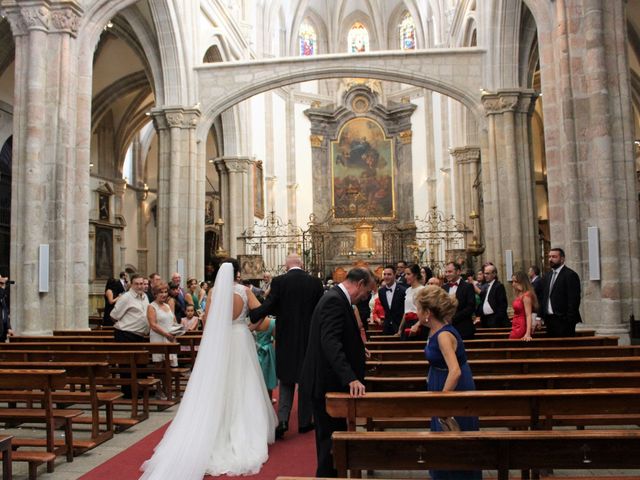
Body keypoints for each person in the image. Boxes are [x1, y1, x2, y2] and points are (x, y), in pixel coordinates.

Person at [140, 260, 277, 479]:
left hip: (221, 340)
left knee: (218, 383)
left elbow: (209, 319)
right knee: (243, 383)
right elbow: (258, 313)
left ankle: (214, 429)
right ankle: (247, 430)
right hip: (241, 338)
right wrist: (251, 325)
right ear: (238, 274)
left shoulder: (214, 292)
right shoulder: (244, 291)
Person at [300, 267, 374, 477]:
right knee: (329, 442)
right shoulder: (334, 300)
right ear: (359, 284)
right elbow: (330, 341)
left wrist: (359, 349)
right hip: (326, 382)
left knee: (334, 439)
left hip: (328, 380)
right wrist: (350, 377)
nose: (365, 297)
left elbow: (338, 336)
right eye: (366, 292)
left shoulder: (337, 298)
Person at [248, 253, 324, 439]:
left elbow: (271, 305)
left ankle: (282, 420)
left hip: (286, 337)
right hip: (308, 337)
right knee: (306, 379)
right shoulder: (315, 282)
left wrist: (255, 314)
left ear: (285, 265)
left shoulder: (280, 281)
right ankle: (305, 422)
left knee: (287, 379)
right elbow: (320, 309)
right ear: (302, 264)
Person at [413, 286, 481, 480]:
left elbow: (455, 371)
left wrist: (443, 402)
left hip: (451, 387)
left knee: (455, 436)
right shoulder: (436, 328)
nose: (415, 312)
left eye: (418, 308)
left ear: (427, 313)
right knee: (441, 438)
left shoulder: (443, 335)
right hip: (440, 380)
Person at [110, 274, 149, 398]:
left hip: (140, 336)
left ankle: (140, 391)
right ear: (131, 285)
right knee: (127, 366)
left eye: (141, 283)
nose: (139, 286)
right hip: (126, 334)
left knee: (140, 364)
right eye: (136, 284)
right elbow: (114, 315)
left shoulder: (145, 296)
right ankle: (128, 392)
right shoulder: (126, 297)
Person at [540, 248, 582, 337]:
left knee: (565, 348)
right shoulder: (547, 276)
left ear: (562, 259)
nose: (550, 259)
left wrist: (569, 319)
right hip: (549, 320)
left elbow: (574, 300)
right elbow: (543, 297)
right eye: (549, 257)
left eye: (554, 257)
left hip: (564, 320)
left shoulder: (570, 275)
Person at [147, 282, 179, 398]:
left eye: (165, 292)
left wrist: (177, 330)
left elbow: (173, 321)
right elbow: (153, 325)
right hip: (158, 338)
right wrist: (166, 334)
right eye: (161, 292)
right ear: (155, 294)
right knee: (159, 365)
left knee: (168, 365)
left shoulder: (167, 306)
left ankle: (168, 389)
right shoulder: (151, 306)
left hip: (169, 337)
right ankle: (159, 390)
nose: (164, 294)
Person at [442, 262, 476, 339]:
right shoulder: (443, 288)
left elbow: (471, 307)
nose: (447, 274)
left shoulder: (468, 287)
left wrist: (453, 318)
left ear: (458, 272)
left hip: (463, 328)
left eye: (450, 272)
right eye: (446, 272)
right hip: (446, 329)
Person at [396, 264, 426, 339]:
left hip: (419, 323)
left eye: (408, 274)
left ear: (415, 275)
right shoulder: (408, 290)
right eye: (405, 274)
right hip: (407, 323)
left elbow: (426, 311)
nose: (405, 277)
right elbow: (406, 311)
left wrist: (417, 325)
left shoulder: (422, 290)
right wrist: (400, 329)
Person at [477, 263, 509, 328]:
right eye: (485, 273)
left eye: (488, 273)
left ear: (494, 274)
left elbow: (502, 306)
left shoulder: (498, 286)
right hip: (485, 320)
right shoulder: (486, 286)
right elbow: (484, 302)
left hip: (496, 321)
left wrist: (495, 319)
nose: (485, 275)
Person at [378, 265, 406, 335]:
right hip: (387, 327)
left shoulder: (403, 290)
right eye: (384, 274)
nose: (386, 277)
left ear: (394, 275)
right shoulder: (381, 291)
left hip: (400, 327)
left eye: (389, 274)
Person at [510, 271, 537, 341]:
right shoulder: (519, 294)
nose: (513, 284)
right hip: (515, 324)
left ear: (522, 281)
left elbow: (528, 315)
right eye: (512, 281)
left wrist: (528, 333)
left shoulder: (526, 295)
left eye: (515, 281)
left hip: (521, 325)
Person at [255, 316, 277, 401]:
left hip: (255, 350)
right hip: (268, 352)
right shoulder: (272, 322)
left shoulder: (251, 322)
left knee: (256, 377)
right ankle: (269, 399)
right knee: (268, 375)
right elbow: (276, 338)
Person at [0, 276, 13, 341]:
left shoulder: (3, 300)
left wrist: (9, 328)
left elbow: (5, 315)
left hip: (2, 333)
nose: (2, 285)